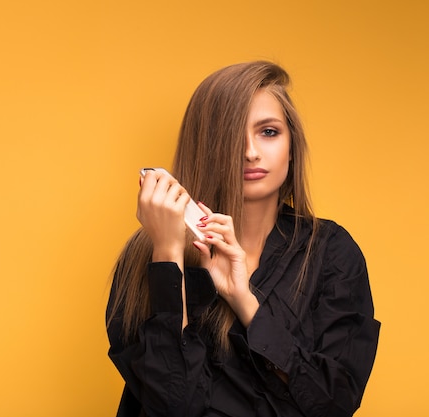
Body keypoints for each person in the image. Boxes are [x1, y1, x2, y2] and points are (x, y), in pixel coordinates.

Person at [106, 61, 380, 417]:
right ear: (206, 147)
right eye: (232, 135)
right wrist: (169, 253)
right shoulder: (146, 257)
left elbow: (333, 403)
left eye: (268, 132)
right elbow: (171, 405)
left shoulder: (332, 253)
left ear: (292, 146)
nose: (250, 152)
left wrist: (243, 301)